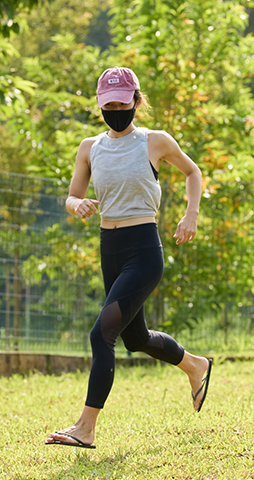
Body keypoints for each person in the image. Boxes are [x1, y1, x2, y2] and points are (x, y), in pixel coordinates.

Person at [46, 66, 212, 450]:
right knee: (135, 338)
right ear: (100, 105)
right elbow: (72, 195)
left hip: (143, 250)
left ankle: (85, 428)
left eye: (123, 103)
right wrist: (77, 205)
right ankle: (194, 365)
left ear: (137, 101)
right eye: (109, 105)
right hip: (110, 248)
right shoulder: (90, 147)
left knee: (101, 333)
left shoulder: (154, 141)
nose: (116, 110)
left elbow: (193, 171)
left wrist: (191, 214)